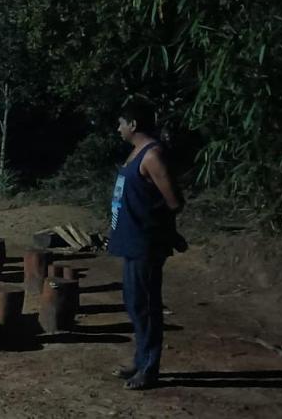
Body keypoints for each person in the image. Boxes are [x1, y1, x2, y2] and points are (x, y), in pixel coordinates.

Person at [108, 100, 185, 390]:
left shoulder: (153, 156)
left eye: (120, 123)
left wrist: (163, 231)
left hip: (145, 243)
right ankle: (140, 362)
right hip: (131, 241)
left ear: (133, 125)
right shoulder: (136, 153)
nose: (118, 128)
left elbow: (174, 201)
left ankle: (149, 368)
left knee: (147, 306)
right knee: (135, 303)